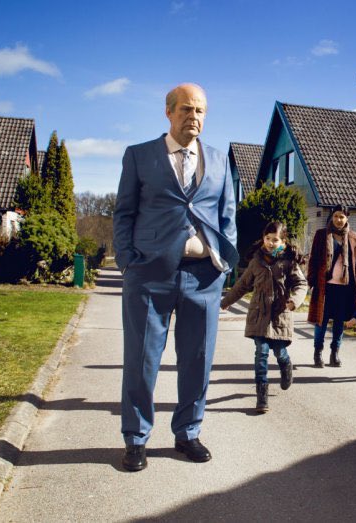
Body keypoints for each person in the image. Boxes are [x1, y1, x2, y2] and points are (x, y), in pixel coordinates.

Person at [113, 83, 238, 472]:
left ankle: (187, 433)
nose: (194, 117)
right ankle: (136, 439)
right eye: (186, 109)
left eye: (200, 110)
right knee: (141, 360)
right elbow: (124, 213)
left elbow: (228, 217)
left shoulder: (219, 160)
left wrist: (222, 264)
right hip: (149, 275)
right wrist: (128, 261)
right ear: (168, 112)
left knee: (198, 361)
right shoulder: (139, 156)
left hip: (203, 278)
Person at [221, 222, 307, 413]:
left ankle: (286, 366)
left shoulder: (288, 262)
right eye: (267, 239)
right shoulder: (256, 261)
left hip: (279, 316)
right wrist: (226, 302)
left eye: (275, 240)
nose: (270, 243)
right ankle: (262, 397)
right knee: (261, 354)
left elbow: (301, 284)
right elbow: (242, 285)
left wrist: (294, 301)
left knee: (280, 353)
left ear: (283, 241)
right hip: (259, 315)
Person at [306, 204, 356, 368]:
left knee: (339, 322)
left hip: (344, 288)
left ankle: (334, 353)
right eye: (336, 216)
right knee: (320, 321)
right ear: (332, 217)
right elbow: (313, 260)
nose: (338, 220)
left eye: (342, 217)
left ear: (347, 218)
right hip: (325, 287)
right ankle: (318, 353)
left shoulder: (354, 237)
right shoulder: (322, 235)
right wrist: (311, 281)